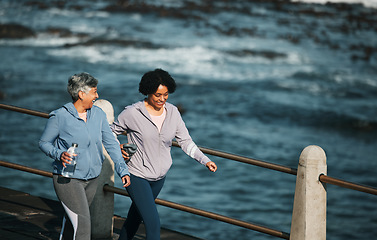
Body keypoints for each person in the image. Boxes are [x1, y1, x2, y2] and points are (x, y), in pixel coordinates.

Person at [111, 68, 217, 240]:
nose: (162, 99)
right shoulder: (132, 113)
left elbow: (185, 141)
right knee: (153, 224)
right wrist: (118, 149)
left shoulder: (173, 112)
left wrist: (205, 160)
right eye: (157, 95)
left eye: (166, 94)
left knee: (134, 219)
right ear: (147, 92)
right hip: (136, 174)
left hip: (159, 178)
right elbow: (110, 133)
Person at [39, 72, 131, 240]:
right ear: (81, 94)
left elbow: (111, 142)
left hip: (92, 178)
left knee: (72, 224)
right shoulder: (60, 116)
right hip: (68, 179)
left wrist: (122, 169)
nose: (97, 95)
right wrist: (59, 154)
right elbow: (44, 143)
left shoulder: (98, 115)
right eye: (94, 92)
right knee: (82, 227)